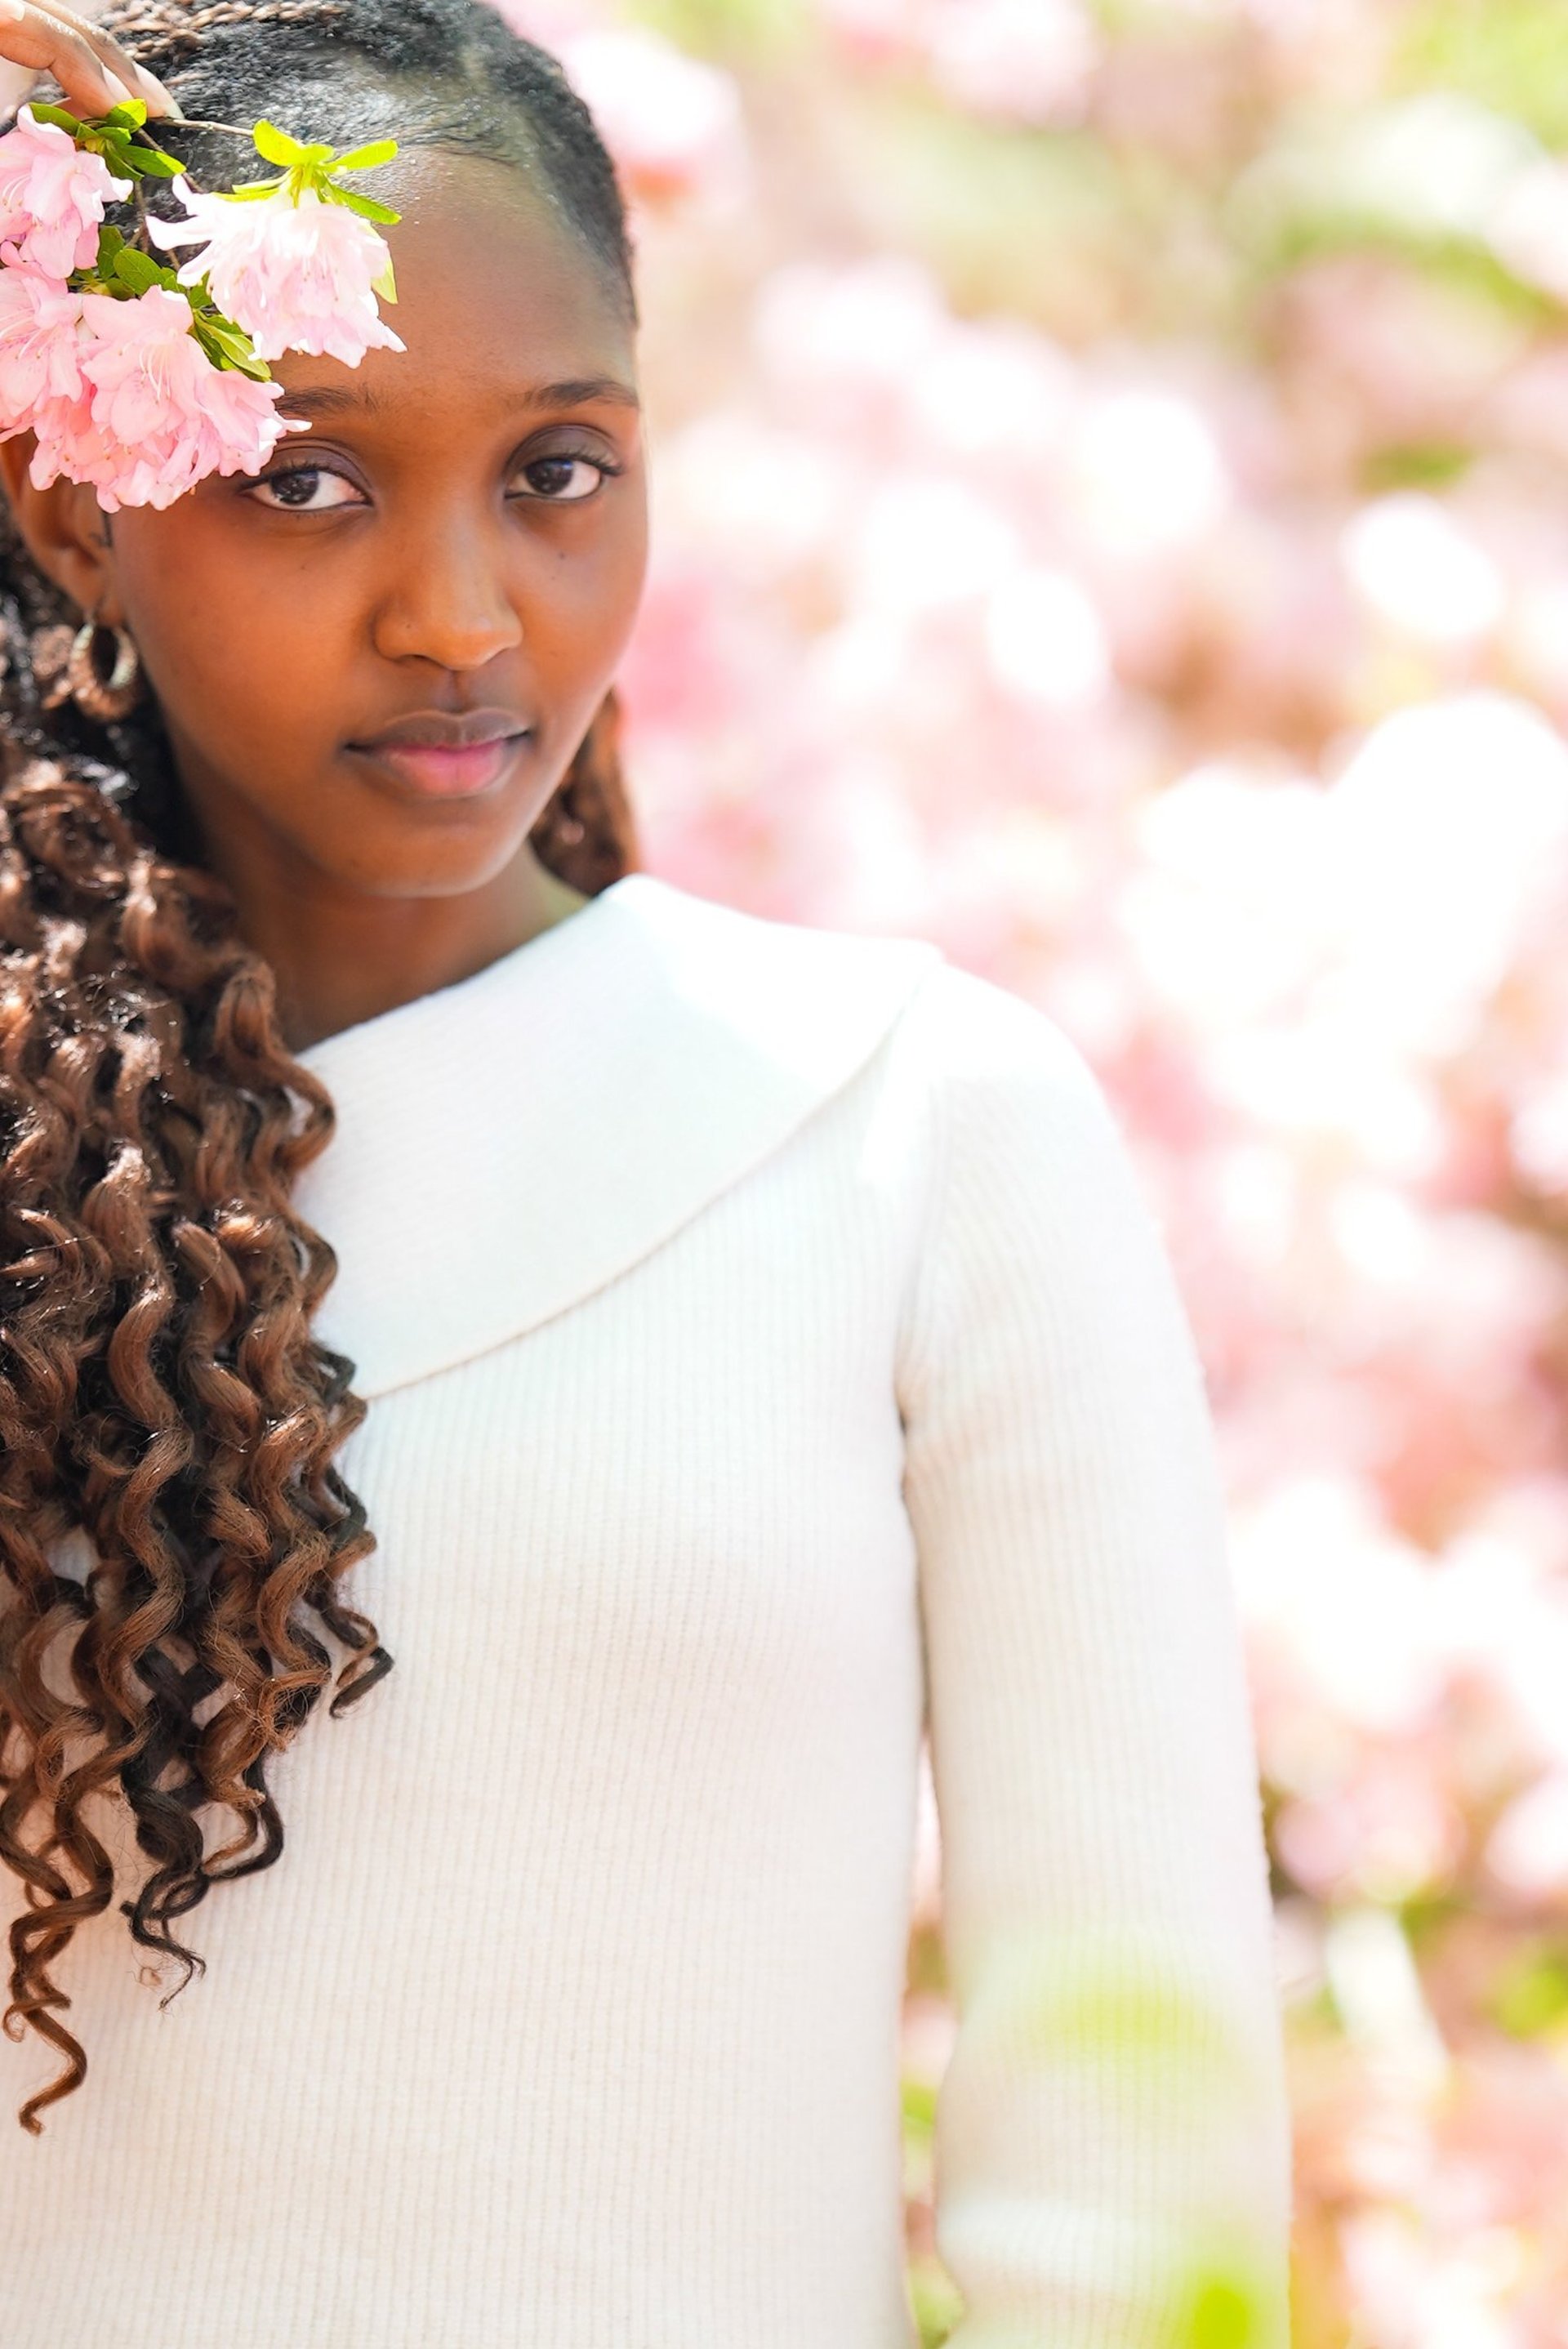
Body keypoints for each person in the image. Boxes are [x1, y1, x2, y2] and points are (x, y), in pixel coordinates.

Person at [0, 2, 1294, 2342]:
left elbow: (1126, 2163)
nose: (465, 612)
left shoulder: (916, 1131)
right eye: (306, 478)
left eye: (559, 468)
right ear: (79, 501)